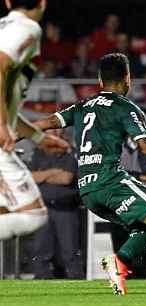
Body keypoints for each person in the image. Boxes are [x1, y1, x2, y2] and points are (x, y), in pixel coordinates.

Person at [32, 53, 146, 296]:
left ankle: (119, 262)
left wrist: (13, 134)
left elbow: (47, 122)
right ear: (128, 79)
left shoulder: (82, 105)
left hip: (87, 190)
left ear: (100, 79)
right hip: (110, 181)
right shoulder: (125, 108)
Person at [0, 0, 69, 240]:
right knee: (32, 215)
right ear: (42, 3)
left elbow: (7, 108)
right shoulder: (27, 27)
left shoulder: (4, 27)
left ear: (8, 2)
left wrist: (38, 137)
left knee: (7, 210)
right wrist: (1, 126)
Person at [29, 128, 83, 279]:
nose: (56, 136)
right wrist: (53, 172)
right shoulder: (37, 154)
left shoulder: (70, 154)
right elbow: (31, 177)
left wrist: (43, 176)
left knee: (69, 250)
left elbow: (66, 178)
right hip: (44, 210)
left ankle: (75, 281)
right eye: (52, 133)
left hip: (66, 210)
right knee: (41, 250)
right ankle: (41, 280)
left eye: (58, 133)